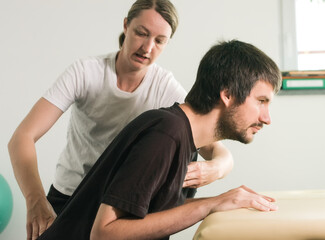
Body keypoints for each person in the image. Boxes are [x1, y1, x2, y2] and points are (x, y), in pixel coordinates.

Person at [7, 1, 233, 239]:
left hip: (119, 208)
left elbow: (220, 152)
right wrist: (35, 201)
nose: (147, 47)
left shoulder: (165, 87)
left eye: (159, 40)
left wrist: (217, 168)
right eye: (141, 33)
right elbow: (22, 137)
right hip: (69, 199)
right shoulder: (86, 72)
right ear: (126, 25)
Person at [37, 39, 282, 240]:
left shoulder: (183, 136)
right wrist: (211, 205)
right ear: (227, 94)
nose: (267, 118)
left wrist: (222, 200)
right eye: (261, 101)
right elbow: (104, 233)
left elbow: (150, 218)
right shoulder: (166, 134)